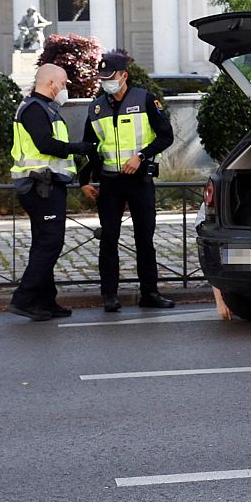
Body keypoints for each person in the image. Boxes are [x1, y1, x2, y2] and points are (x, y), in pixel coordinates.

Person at [79, 51, 176, 312]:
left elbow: (166, 136)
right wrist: (84, 180)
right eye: (102, 78)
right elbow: (91, 146)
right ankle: (109, 295)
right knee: (109, 239)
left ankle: (150, 293)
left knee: (144, 239)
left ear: (124, 75)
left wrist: (142, 156)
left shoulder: (145, 99)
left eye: (110, 77)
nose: (105, 82)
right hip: (110, 183)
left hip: (139, 181)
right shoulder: (96, 107)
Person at [7, 64, 96, 321]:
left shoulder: (46, 108)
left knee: (44, 244)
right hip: (39, 186)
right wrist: (80, 148)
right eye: (64, 84)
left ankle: (45, 301)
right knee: (50, 243)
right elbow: (45, 144)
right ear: (52, 84)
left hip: (48, 185)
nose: (65, 89)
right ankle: (23, 299)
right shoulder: (35, 109)